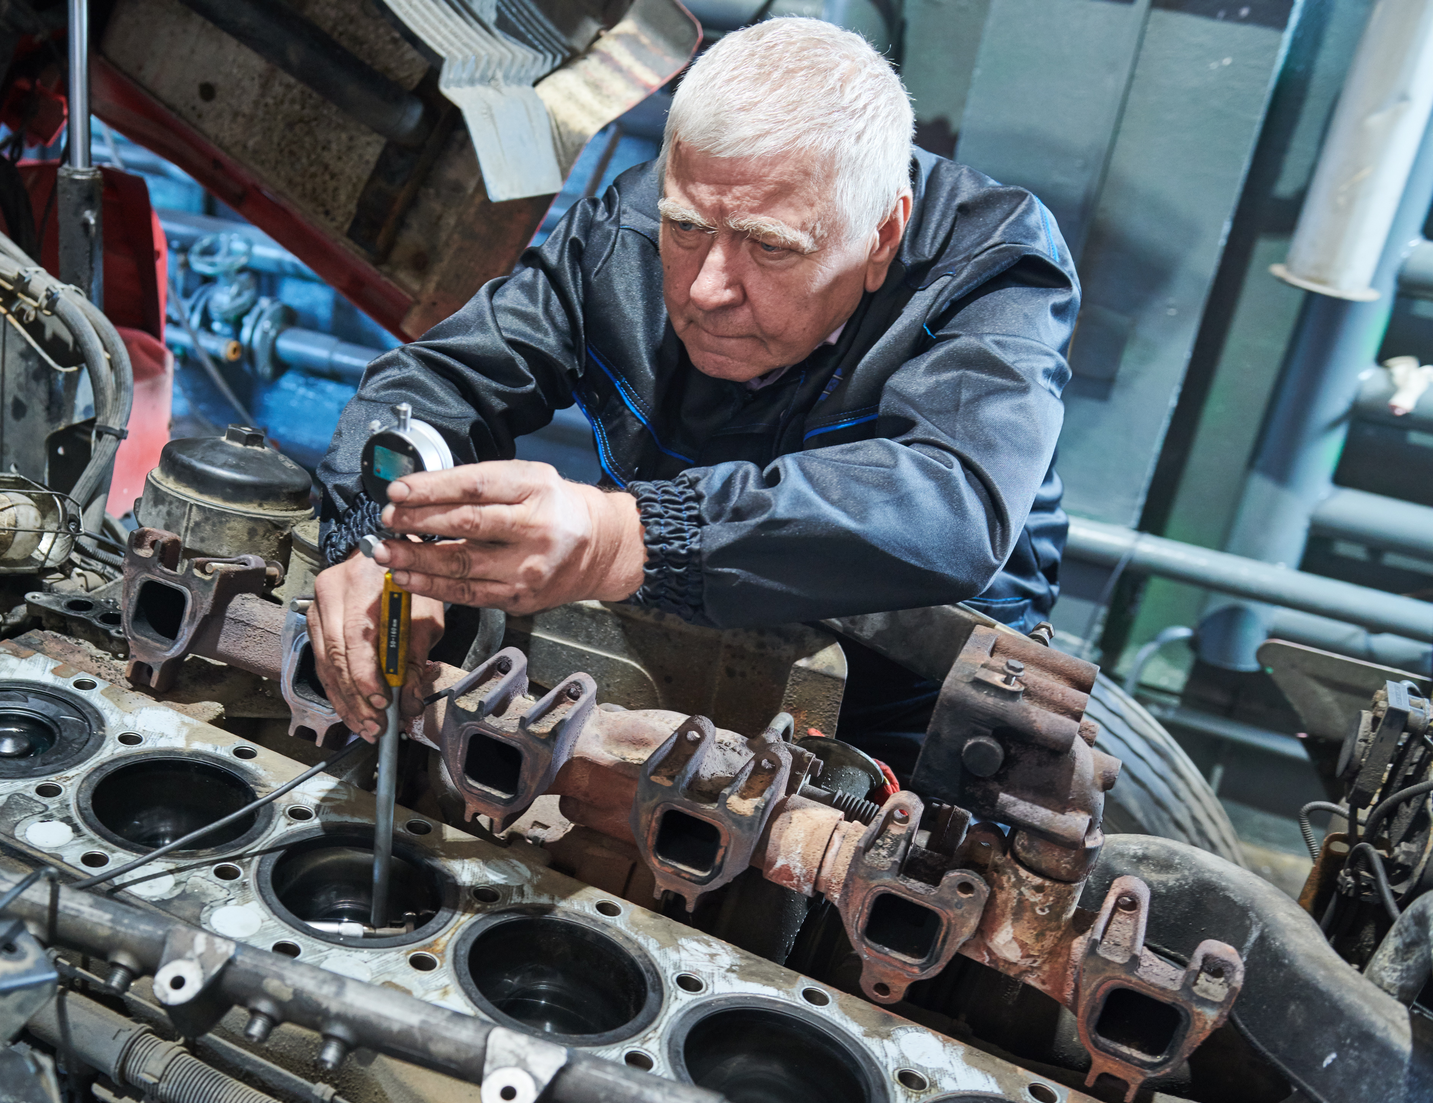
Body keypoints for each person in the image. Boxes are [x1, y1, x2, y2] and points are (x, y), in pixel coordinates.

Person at [307, 16, 1078, 774]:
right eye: (687, 229)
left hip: (898, 720)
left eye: (770, 246)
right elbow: (438, 381)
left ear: (881, 236)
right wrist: (375, 537)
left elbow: (950, 504)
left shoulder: (994, 266)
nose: (708, 288)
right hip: (665, 654)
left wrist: (623, 536)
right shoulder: (634, 226)